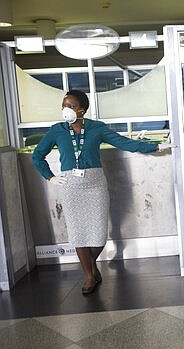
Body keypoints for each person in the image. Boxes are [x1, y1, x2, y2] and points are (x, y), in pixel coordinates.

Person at [32, 90, 173, 295]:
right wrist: (50, 177)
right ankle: (89, 275)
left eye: (70, 106)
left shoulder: (96, 128)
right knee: (78, 234)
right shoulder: (57, 130)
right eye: (64, 105)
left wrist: (155, 146)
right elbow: (37, 156)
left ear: (82, 109)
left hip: (95, 184)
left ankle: (90, 265)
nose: (66, 110)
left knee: (98, 235)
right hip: (70, 186)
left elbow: (124, 142)